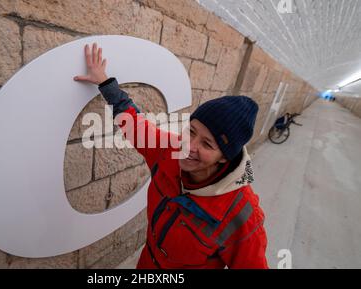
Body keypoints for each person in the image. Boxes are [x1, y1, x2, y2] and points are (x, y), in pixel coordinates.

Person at [74, 43, 268, 269]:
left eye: (206, 144)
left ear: (224, 157)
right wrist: (105, 83)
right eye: (191, 131)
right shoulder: (170, 149)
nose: (189, 146)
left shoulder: (242, 215)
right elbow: (134, 124)